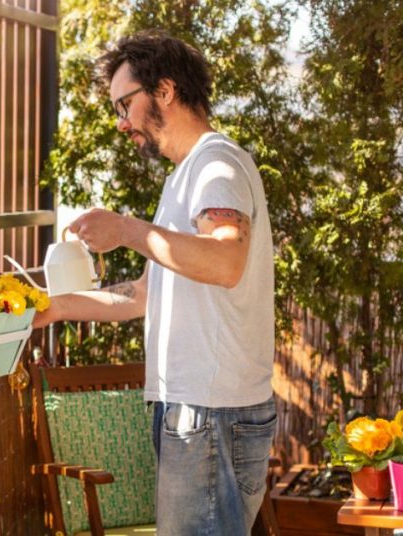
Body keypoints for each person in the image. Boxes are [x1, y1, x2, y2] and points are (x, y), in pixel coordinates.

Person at [34, 30, 276, 535]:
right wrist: (54, 306)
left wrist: (125, 229)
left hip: (209, 414)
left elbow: (226, 260)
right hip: (193, 410)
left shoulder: (215, 167)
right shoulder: (183, 177)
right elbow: (143, 296)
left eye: (126, 104)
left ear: (164, 91)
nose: (121, 123)